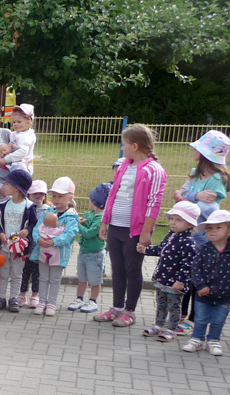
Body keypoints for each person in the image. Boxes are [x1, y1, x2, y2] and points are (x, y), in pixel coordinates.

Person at [96, 124, 167, 328]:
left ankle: (130, 311)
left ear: (135, 146)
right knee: (117, 269)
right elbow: (113, 193)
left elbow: (154, 202)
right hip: (115, 226)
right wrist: (104, 221)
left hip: (134, 230)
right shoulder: (125, 165)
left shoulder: (154, 170)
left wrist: (145, 232)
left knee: (132, 269)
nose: (122, 147)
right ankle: (116, 308)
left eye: (124, 144)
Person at [173, 130, 230, 334]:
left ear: (206, 152)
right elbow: (178, 194)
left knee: (198, 276)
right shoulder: (195, 173)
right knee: (187, 273)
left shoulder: (217, 178)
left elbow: (207, 210)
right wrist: (195, 195)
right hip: (189, 233)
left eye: (198, 146)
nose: (193, 148)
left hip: (203, 236)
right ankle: (181, 313)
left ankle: (195, 319)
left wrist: (187, 198)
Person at [140, 202, 199, 342]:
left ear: (190, 224)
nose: (173, 223)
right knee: (161, 304)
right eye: (171, 219)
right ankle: (159, 325)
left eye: (178, 220)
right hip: (162, 279)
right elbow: (161, 249)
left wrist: (181, 281)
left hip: (175, 282)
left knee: (174, 306)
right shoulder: (171, 235)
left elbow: (188, 265)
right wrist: (145, 250)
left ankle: (171, 330)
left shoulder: (189, 242)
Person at [28, 177, 79, 316]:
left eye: (60, 196)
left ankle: (51, 303)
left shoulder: (71, 216)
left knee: (55, 279)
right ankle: (41, 302)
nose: (56, 199)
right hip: (43, 252)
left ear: (70, 197)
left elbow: (70, 234)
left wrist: (54, 241)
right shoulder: (48, 211)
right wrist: (39, 239)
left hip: (59, 254)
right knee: (43, 277)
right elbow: (37, 228)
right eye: (54, 196)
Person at [184, 210, 230, 356]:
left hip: (225, 295)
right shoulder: (204, 249)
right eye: (210, 228)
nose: (213, 231)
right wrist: (201, 286)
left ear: (229, 231)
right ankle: (197, 339)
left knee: (218, 320)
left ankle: (213, 341)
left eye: (218, 228)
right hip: (203, 294)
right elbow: (195, 268)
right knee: (200, 318)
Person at [0, 169, 37, 313]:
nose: (4, 187)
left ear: (16, 187)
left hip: (19, 249)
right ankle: (1, 298)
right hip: (5, 247)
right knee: (3, 273)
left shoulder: (29, 207)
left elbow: (33, 223)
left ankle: (13, 298)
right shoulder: (4, 205)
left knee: (17, 274)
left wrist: (28, 230)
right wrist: (0, 234)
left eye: (7, 184)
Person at [68, 182, 110, 313]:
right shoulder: (92, 213)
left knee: (95, 279)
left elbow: (88, 232)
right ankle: (79, 298)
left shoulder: (101, 219)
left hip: (95, 254)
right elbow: (86, 218)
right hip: (84, 252)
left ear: (97, 201)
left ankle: (93, 301)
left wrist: (77, 224)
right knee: (82, 278)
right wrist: (82, 220)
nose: (89, 201)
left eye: (91, 199)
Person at [19, 180, 50, 308]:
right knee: (25, 271)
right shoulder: (26, 207)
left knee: (37, 272)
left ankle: (35, 295)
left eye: (41, 193)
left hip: (41, 246)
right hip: (27, 245)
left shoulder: (48, 210)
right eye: (35, 193)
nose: (38, 196)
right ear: (28, 195)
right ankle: (22, 294)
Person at [0, 104, 37, 174]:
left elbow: (22, 152)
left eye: (19, 122)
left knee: (16, 179)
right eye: (14, 122)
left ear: (28, 122)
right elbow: (15, 147)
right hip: (15, 162)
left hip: (24, 164)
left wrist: (6, 159)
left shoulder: (26, 136)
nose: (15, 124)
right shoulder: (15, 134)